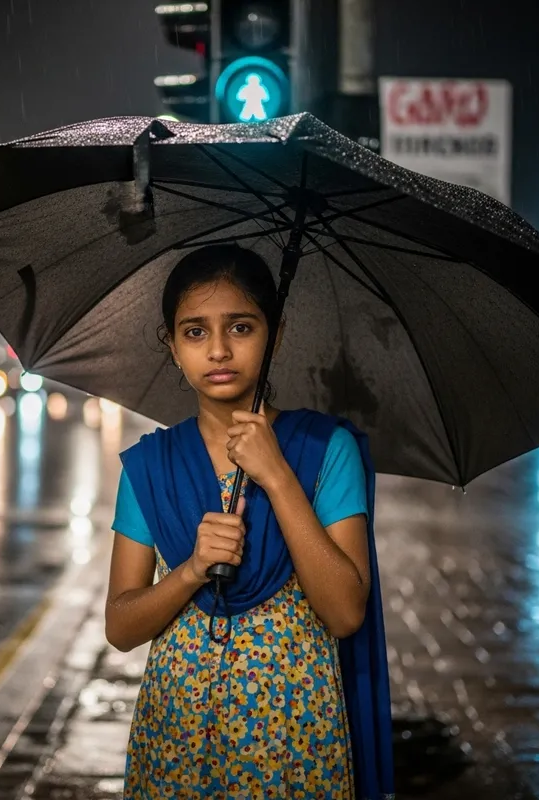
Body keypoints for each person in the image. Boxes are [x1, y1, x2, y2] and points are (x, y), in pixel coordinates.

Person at [105, 244, 394, 799]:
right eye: (194, 332)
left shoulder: (323, 450)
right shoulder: (151, 466)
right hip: (178, 737)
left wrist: (278, 478)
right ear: (172, 346)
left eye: (240, 327)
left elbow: (343, 612)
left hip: (294, 735)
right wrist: (190, 570)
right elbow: (121, 627)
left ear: (275, 334)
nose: (218, 350)